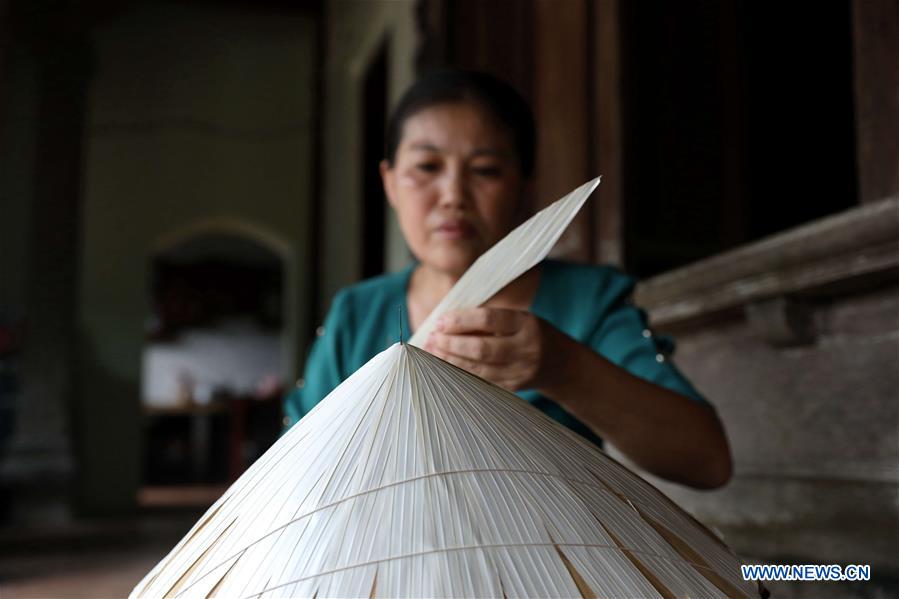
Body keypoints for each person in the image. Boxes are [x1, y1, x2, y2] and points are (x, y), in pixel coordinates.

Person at [283, 70, 732, 490]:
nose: (453, 196)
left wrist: (564, 368)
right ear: (389, 182)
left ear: (525, 186)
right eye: (426, 167)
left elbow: (706, 460)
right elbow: (293, 469)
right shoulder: (357, 313)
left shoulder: (587, 300)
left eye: (485, 171)